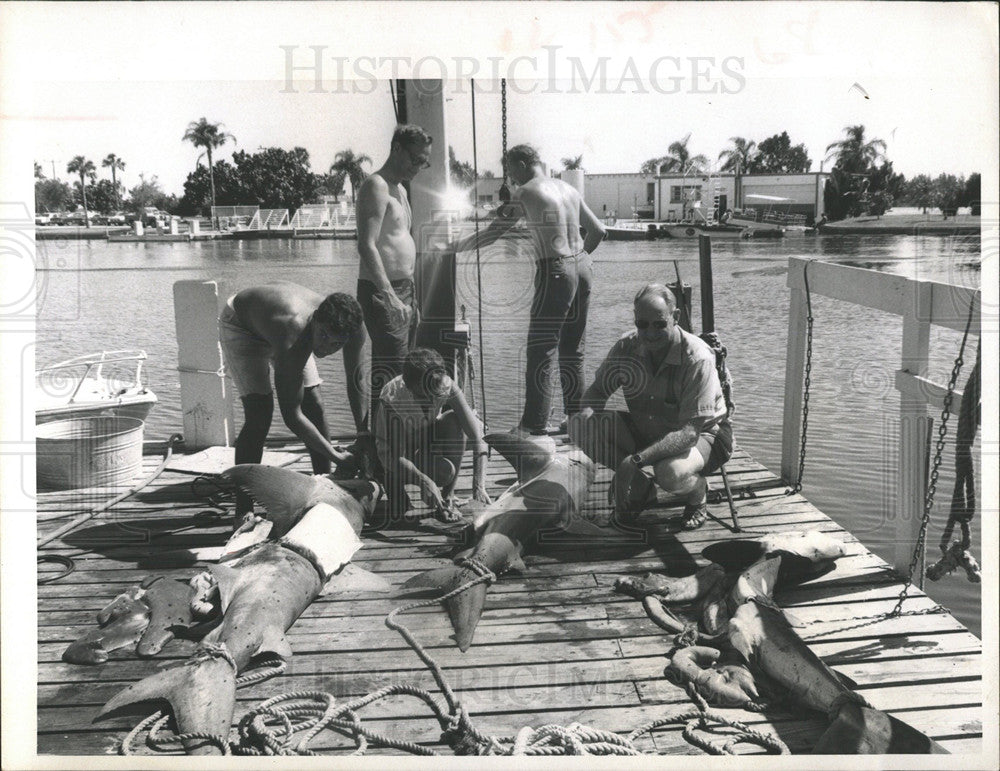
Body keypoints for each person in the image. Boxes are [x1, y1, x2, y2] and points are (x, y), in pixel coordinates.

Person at [454, 143, 606, 435]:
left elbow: (494, 232)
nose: (509, 178)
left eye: (510, 170)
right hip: (583, 268)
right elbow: (598, 230)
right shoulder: (568, 189)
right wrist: (579, 260)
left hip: (556, 270)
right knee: (573, 350)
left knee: (541, 351)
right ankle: (576, 420)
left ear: (522, 164)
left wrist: (456, 248)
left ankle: (533, 425)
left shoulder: (525, 193)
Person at [568, 283, 733, 528]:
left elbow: (689, 433)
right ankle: (642, 483)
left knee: (670, 473)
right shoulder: (626, 347)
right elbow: (598, 391)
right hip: (649, 428)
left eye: (659, 324)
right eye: (642, 325)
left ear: (675, 317)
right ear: (635, 320)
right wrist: (586, 415)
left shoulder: (697, 357)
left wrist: (633, 461)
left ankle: (698, 491)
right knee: (579, 426)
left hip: (705, 436)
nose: (650, 333)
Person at [218, 282, 367, 516]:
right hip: (242, 324)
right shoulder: (293, 331)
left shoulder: (355, 330)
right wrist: (338, 456)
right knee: (259, 413)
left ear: (348, 337)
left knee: (315, 403)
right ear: (316, 319)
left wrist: (363, 434)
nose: (326, 348)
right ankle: (243, 511)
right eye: (324, 336)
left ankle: (324, 489)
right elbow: (292, 416)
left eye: (336, 343)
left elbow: (356, 382)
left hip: (284, 324)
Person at [355, 124, 433, 434]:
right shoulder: (377, 186)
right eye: (415, 159)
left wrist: (412, 297)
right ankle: (380, 450)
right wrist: (389, 295)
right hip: (383, 289)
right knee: (391, 370)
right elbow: (367, 244)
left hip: (405, 289)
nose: (418, 167)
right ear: (397, 148)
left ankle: (393, 441)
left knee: (404, 371)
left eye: (423, 162)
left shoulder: (400, 189)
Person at [374, 348, 491, 522]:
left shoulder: (444, 383)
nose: (430, 400)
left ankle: (447, 496)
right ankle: (392, 482)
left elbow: (478, 439)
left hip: (422, 440)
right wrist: (425, 481)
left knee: (454, 421)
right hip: (393, 457)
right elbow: (396, 456)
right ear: (409, 386)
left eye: (434, 394)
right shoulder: (393, 397)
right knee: (400, 512)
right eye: (423, 395)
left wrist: (479, 485)